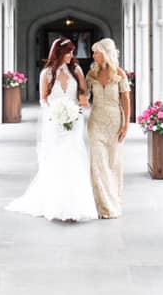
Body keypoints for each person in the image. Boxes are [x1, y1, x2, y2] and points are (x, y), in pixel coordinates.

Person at [6, 37, 98, 222]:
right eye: (69, 52)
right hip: (55, 122)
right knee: (57, 157)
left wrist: (79, 103)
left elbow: (84, 91)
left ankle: (77, 203)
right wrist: (57, 113)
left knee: (75, 155)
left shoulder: (77, 70)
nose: (72, 56)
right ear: (59, 53)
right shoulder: (46, 73)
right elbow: (43, 99)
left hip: (75, 119)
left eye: (72, 52)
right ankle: (56, 202)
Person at [86, 38, 130, 219]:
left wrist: (126, 125)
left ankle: (114, 202)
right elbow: (84, 96)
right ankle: (102, 206)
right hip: (96, 121)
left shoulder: (119, 73)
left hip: (114, 122)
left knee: (113, 164)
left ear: (105, 52)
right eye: (93, 52)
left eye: (96, 52)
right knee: (97, 164)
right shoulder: (92, 74)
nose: (93, 55)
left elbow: (126, 100)